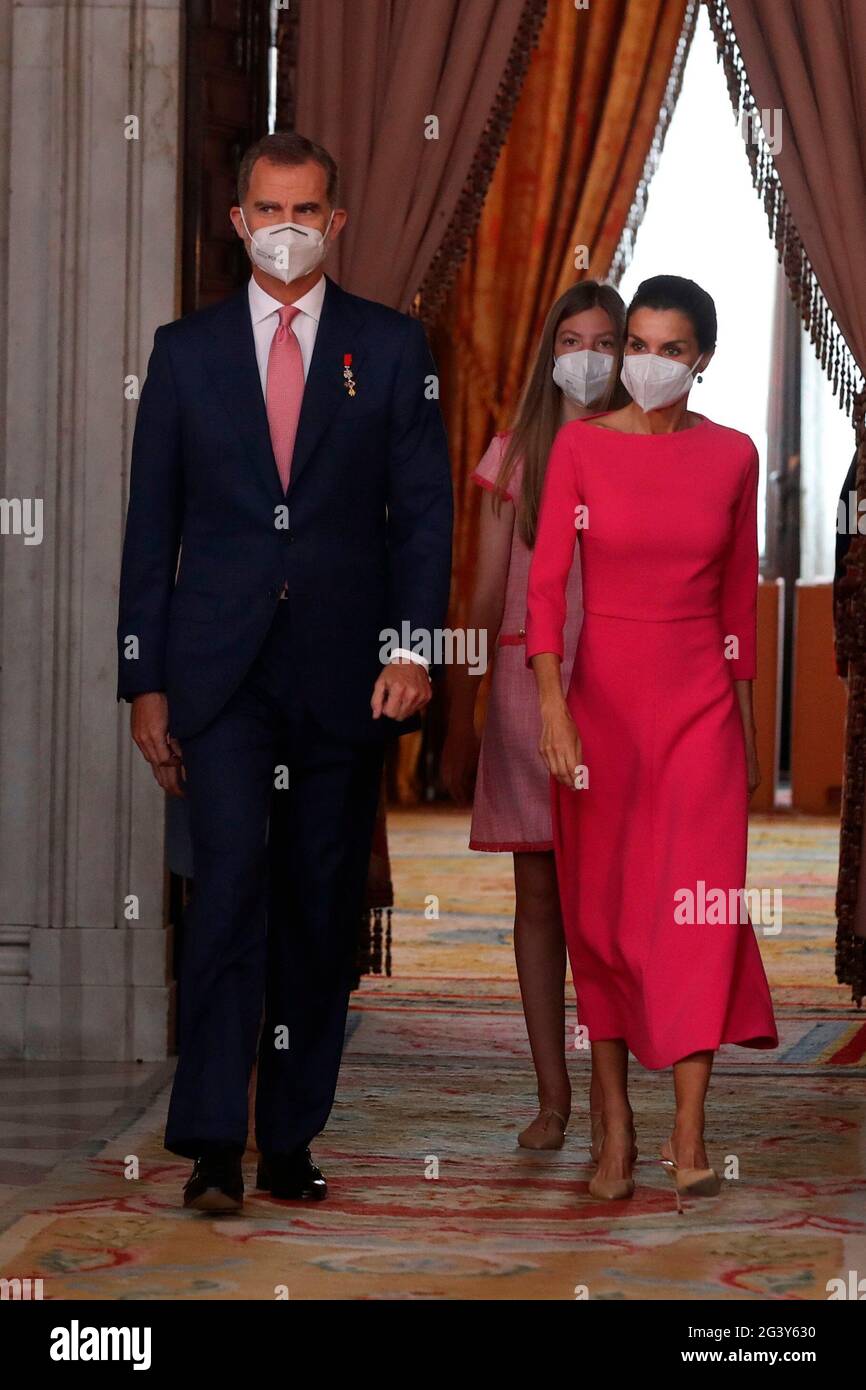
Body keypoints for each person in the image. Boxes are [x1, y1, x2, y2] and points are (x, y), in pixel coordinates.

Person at [117, 131, 452, 1212]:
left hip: (342, 678)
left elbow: (423, 521)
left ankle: (292, 1138)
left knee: (316, 909)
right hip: (214, 679)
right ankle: (214, 1141)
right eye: (268, 209)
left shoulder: (393, 350)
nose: (287, 227)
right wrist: (144, 680)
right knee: (224, 898)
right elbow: (148, 528)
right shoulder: (183, 352)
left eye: (306, 208)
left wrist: (411, 647)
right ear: (239, 220)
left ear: (336, 220)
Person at [526, 275, 778, 1204]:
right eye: (638, 344)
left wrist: (748, 736)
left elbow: (738, 606)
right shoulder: (582, 451)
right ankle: (616, 1123)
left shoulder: (735, 456)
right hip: (600, 717)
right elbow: (547, 589)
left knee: (696, 916)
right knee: (605, 922)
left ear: (701, 359)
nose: (648, 364)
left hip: (701, 715)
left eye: (671, 350)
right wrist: (553, 704)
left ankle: (689, 1132)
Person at [442, 282, 625, 1152]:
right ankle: (551, 1094)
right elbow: (479, 595)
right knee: (540, 893)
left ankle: (606, 1093)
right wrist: (458, 710)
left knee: (610, 900)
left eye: (604, 341)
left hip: (624, 687)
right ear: (549, 350)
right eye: (572, 339)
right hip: (525, 682)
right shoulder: (510, 457)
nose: (587, 356)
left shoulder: (646, 450)